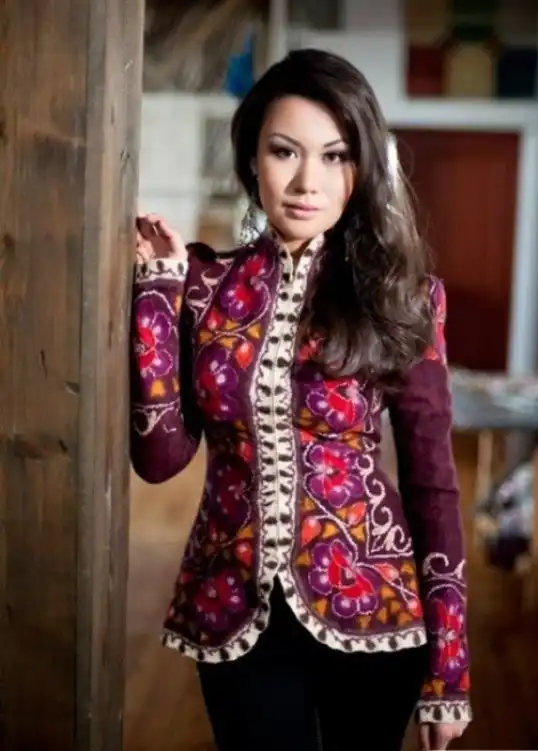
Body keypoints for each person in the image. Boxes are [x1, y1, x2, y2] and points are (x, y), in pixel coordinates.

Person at [131, 48, 471, 751]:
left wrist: (450, 670)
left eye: (335, 156)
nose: (307, 182)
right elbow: (160, 459)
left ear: (362, 168)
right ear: (251, 157)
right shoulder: (202, 286)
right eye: (284, 151)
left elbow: (433, 485)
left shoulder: (403, 299)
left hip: (376, 612)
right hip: (231, 608)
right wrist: (159, 297)